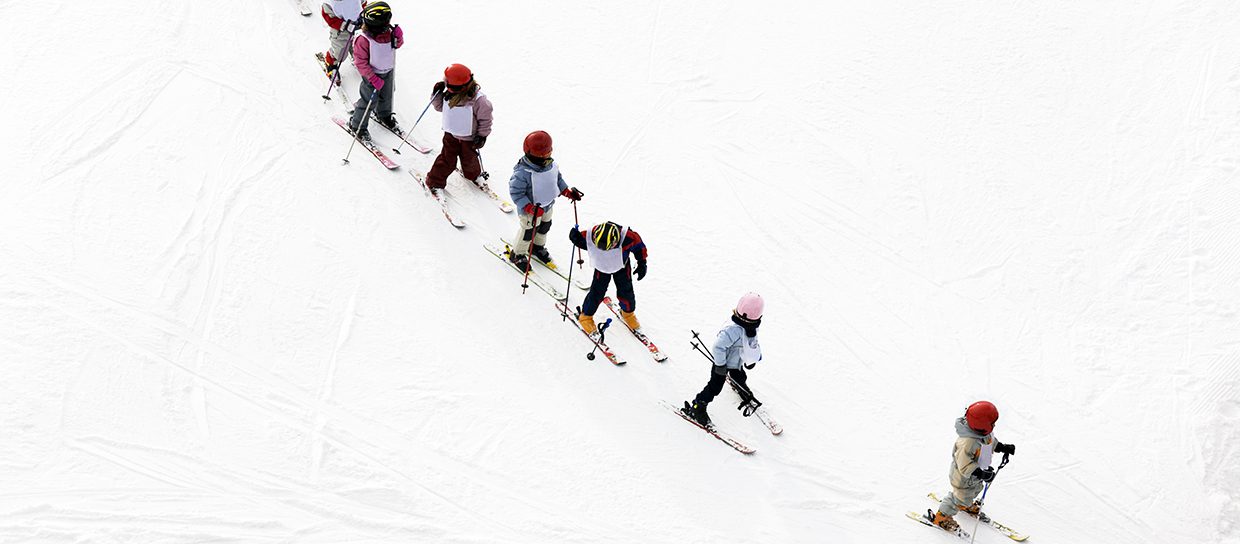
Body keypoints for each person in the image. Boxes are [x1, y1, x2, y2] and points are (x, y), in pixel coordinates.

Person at [927, 401, 1017, 532]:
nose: (994, 425)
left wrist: (1002, 447)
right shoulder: (967, 442)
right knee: (960, 497)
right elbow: (964, 464)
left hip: (976, 475)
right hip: (963, 477)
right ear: (982, 425)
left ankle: (966, 504)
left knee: (976, 490)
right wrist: (980, 473)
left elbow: (990, 441)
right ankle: (942, 517)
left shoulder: (983, 433)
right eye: (992, 423)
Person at [682, 293, 764, 427]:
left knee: (740, 376)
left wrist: (751, 359)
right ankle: (698, 406)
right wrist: (720, 365)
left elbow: (752, 344)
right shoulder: (732, 330)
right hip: (723, 364)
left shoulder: (750, 329)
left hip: (736, 363)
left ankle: (741, 387)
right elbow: (717, 347)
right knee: (715, 387)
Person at [508, 131, 584, 268]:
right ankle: (517, 254)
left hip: (547, 206)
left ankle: (537, 247)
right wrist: (528, 207)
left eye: (548, 153)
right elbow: (516, 193)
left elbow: (557, 179)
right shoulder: (523, 172)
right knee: (528, 232)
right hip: (530, 211)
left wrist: (566, 191)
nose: (546, 157)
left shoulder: (551, 165)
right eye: (542, 155)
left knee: (544, 227)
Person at [568, 221, 648, 338]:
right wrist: (575, 238)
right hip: (601, 267)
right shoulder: (590, 235)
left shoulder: (629, 237)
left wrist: (642, 263)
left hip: (621, 266)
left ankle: (628, 313)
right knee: (596, 293)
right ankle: (585, 316)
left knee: (626, 292)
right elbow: (585, 244)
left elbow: (639, 248)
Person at [425, 64, 494, 190]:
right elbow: (439, 107)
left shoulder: (479, 101)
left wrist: (482, 136)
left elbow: (485, 120)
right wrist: (437, 94)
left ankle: (473, 175)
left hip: (469, 138)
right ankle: (434, 181)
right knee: (447, 160)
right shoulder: (448, 96)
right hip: (450, 135)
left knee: (470, 159)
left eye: (448, 85)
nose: (446, 87)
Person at [345, 2, 403, 139]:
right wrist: (372, 78)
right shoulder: (363, 39)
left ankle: (384, 114)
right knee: (368, 101)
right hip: (372, 76)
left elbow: (396, 46)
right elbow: (360, 62)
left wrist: (398, 37)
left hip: (388, 71)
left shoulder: (390, 33)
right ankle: (357, 125)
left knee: (387, 95)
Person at [320, 0, 363, 82]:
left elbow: (363, 3)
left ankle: (356, 54)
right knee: (339, 51)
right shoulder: (329, 3)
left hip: (358, 24)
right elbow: (329, 17)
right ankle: (331, 62)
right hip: (341, 30)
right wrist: (345, 25)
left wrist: (363, 16)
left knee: (360, 43)